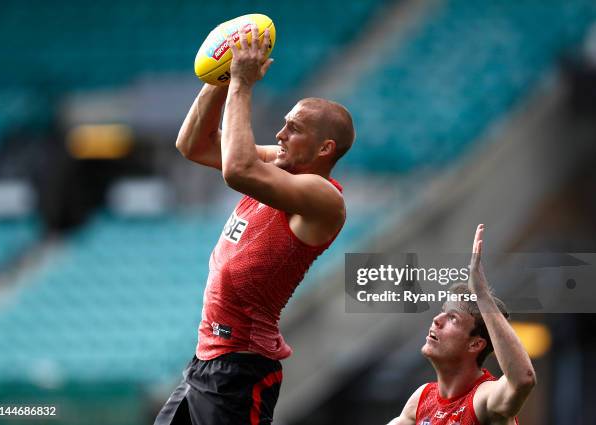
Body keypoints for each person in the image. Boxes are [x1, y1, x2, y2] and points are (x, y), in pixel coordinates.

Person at [154, 25, 355, 425]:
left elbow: (237, 169)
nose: (280, 135)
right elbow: (193, 144)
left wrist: (242, 85)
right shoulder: (281, 163)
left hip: (241, 369)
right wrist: (222, 74)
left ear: (325, 148)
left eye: (293, 129)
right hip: (206, 360)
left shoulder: (323, 198)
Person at [387, 224, 537, 425]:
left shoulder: (484, 398)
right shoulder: (421, 399)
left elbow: (523, 380)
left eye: (453, 318)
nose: (437, 320)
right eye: (442, 312)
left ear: (475, 344)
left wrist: (482, 294)